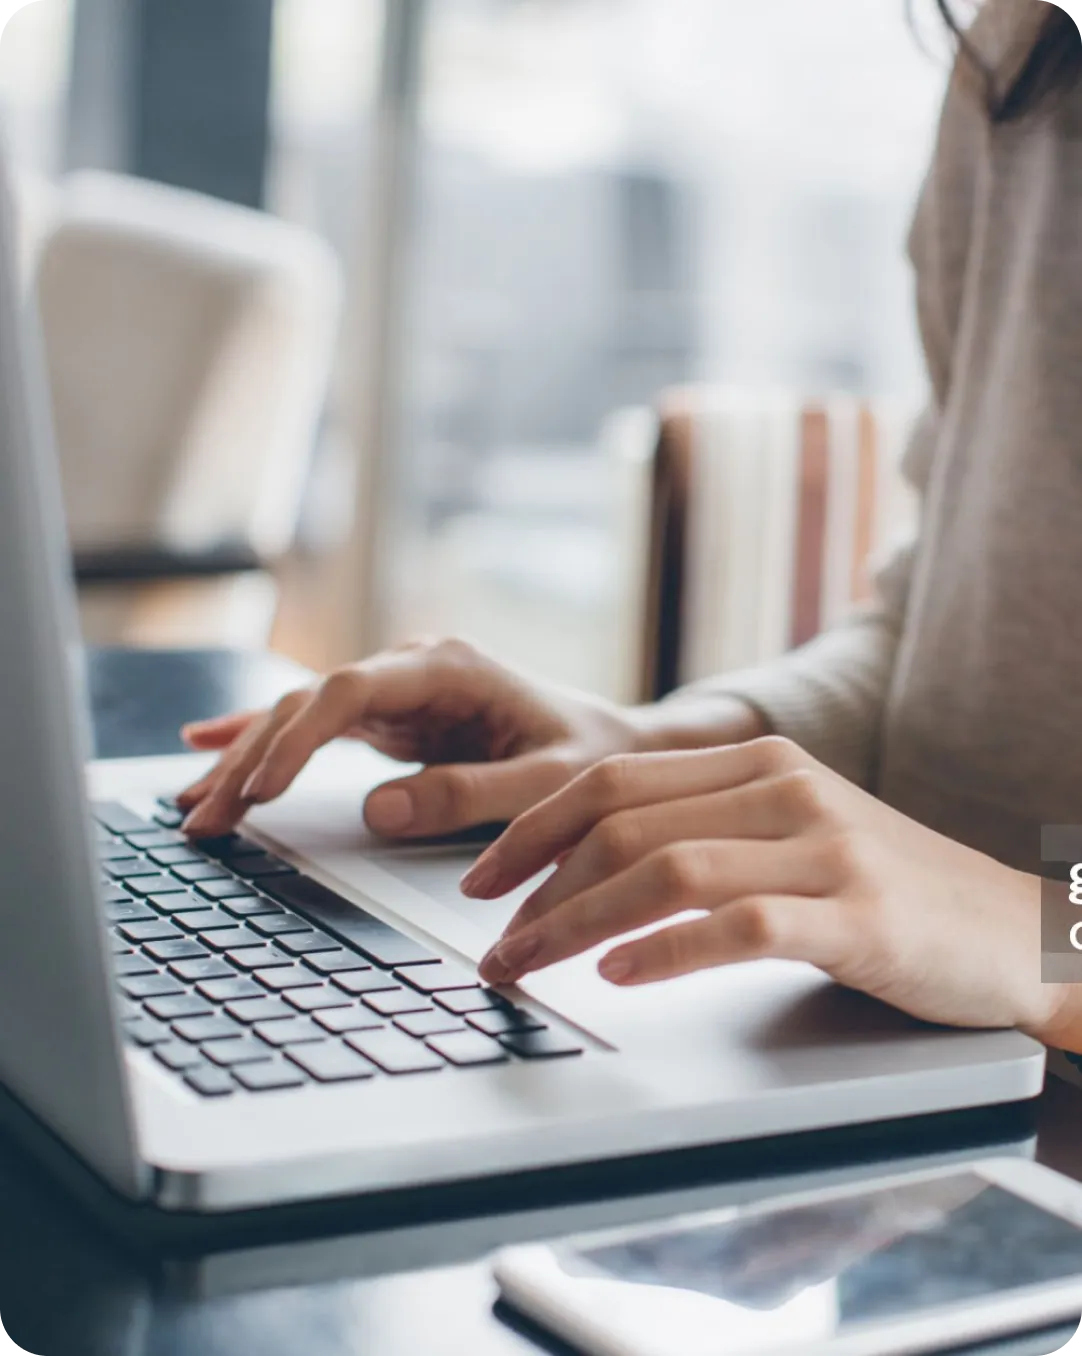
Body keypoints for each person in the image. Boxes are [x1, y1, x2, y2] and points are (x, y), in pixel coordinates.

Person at [176, 0, 1082, 1054]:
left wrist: (1040, 930)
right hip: (909, 1064)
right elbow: (947, 628)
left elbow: (1032, 900)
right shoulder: (1023, 57)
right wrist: (657, 748)